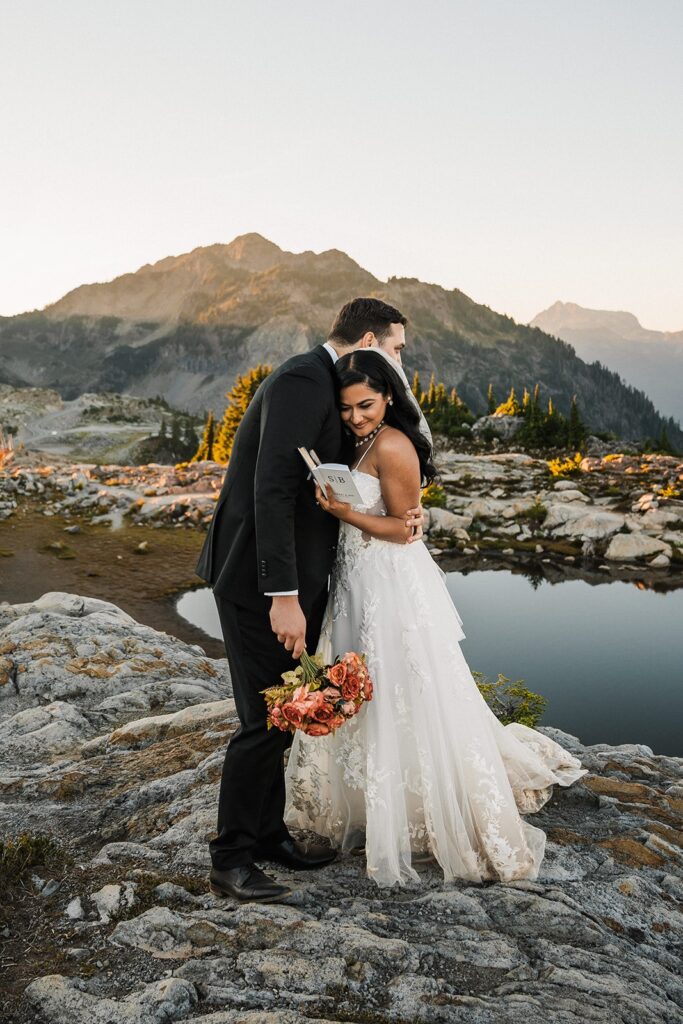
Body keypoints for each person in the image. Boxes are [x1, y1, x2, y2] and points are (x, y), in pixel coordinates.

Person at [284, 350, 589, 888]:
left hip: (389, 582)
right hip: (355, 578)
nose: (356, 417)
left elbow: (407, 530)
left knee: (405, 684)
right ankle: (365, 799)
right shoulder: (358, 441)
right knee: (364, 685)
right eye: (347, 407)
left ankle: (423, 807)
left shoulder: (395, 445)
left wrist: (345, 512)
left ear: (388, 399)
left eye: (367, 405)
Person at [195, 298, 424, 902]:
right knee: (263, 719)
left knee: (286, 710)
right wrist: (284, 597)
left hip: (293, 576)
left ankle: (269, 837)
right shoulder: (304, 378)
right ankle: (232, 860)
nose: (399, 359)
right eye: (396, 348)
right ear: (370, 341)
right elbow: (271, 489)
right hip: (256, 580)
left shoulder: (328, 382)